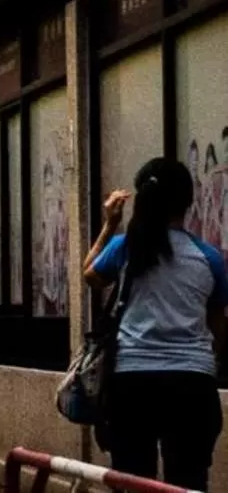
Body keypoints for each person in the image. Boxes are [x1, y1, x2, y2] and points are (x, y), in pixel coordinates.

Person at [84, 158, 228, 491]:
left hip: (132, 383)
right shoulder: (209, 258)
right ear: (188, 202)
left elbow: (90, 274)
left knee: (133, 481)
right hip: (192, 383)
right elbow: (219, 328)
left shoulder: (125, 248)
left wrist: (110, 224)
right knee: (188, 481)